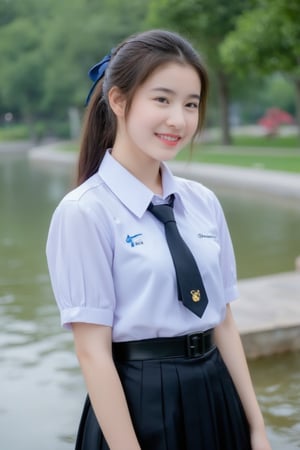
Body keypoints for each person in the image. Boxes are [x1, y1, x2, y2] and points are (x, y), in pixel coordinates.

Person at [46, 29, 271, 450]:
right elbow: (93, 353)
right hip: (141, 404)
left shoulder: (201, 201)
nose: (179, 120)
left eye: (191, 104)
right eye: (162, 99)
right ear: (118, 100)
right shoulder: (84, 212)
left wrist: (256, 427)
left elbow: (222, 320)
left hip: (216, 392)